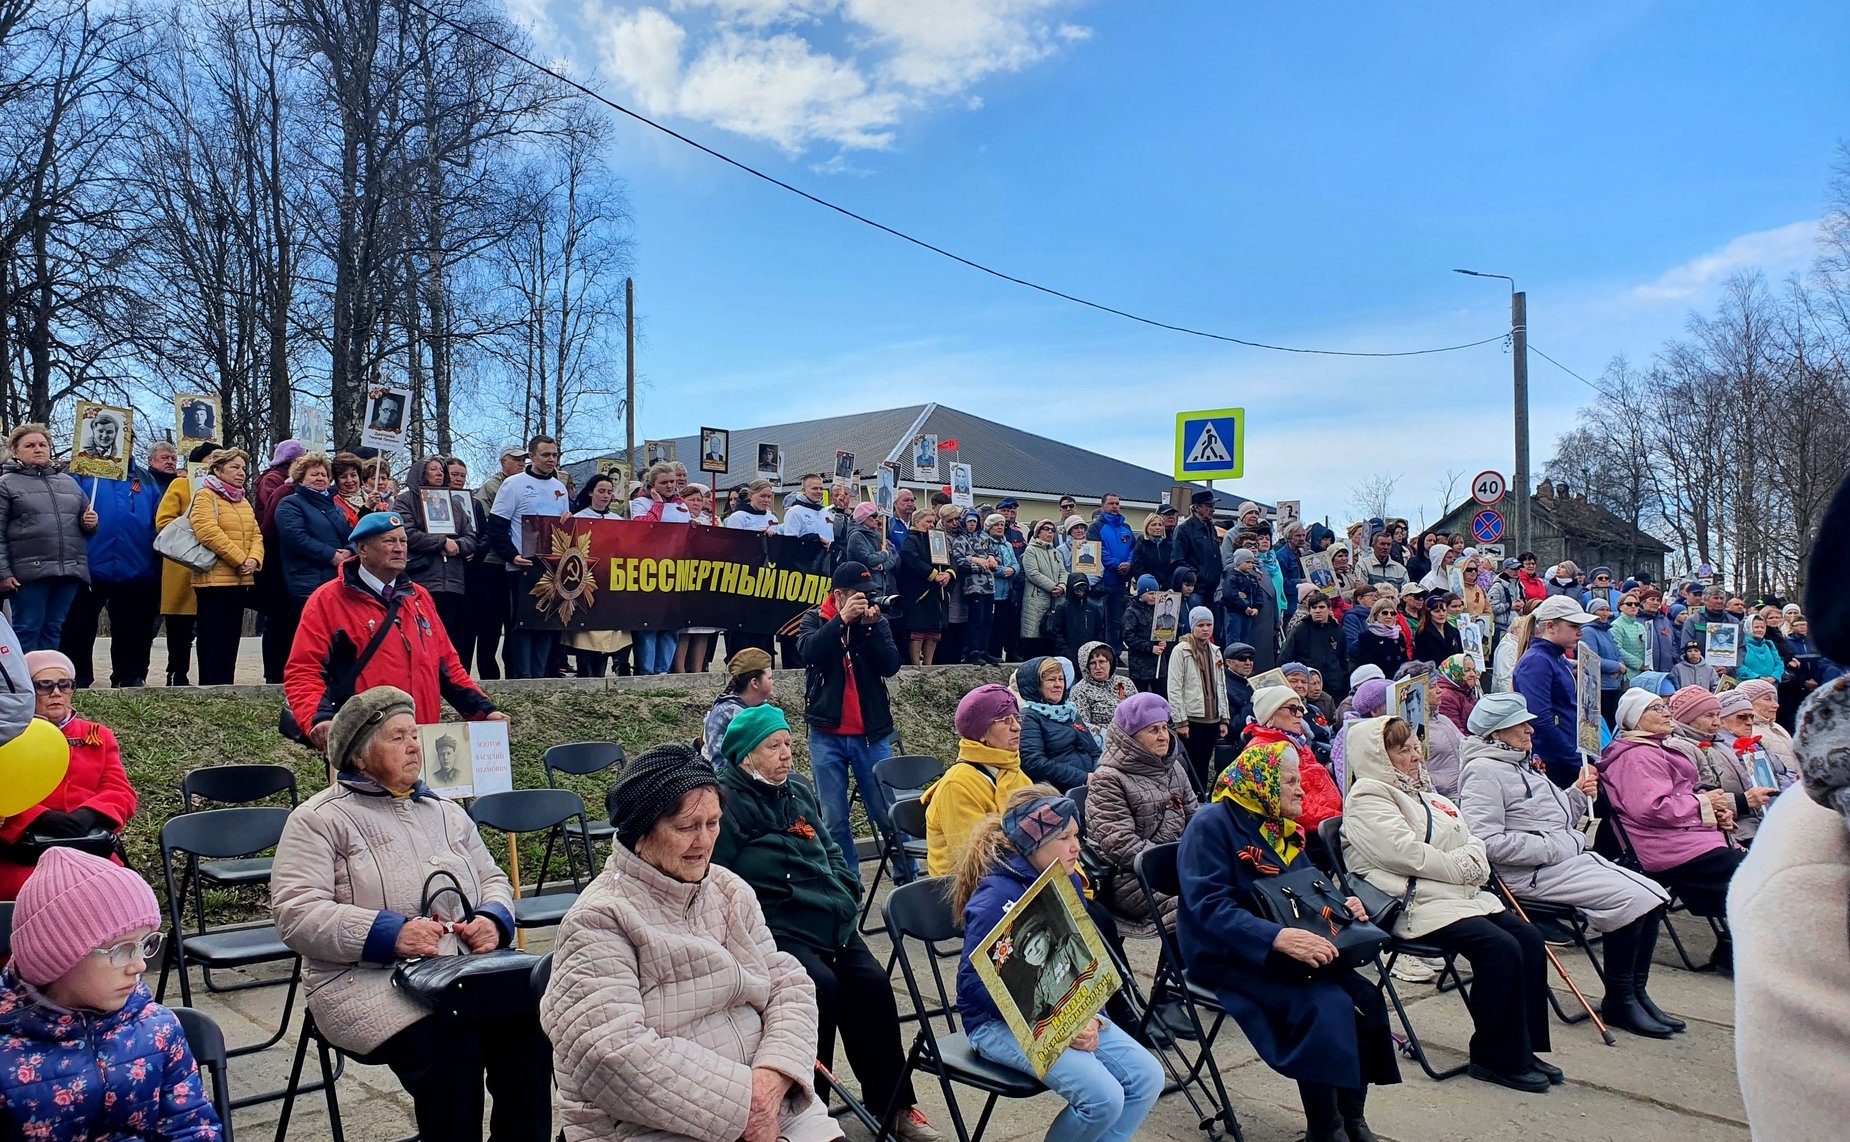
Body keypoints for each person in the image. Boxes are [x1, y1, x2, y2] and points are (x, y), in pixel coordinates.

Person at [271, 687, 549, 1142]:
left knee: (528, 1030)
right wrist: (389, 933)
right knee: (452, 1046)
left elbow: (493, 877)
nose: (414, 746)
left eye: (414, 734)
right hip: (362, 981)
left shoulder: (445, 811)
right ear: (359, 756)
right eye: (397, 737)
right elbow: (296, 913)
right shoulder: (319, 819)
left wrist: (492, 919)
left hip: (461, 971)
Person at [541, 744, 840, 1142]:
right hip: (656, 1124)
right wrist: (742, 1105)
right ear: (640, 832)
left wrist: (771, 1079)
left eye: (713, 823)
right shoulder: (600, 919)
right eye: (686, 828)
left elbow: (789, 985)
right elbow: (610, 1055)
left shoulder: (728, 890)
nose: (704, 841)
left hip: (770, 1102)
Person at [713, 707, 942, 1142]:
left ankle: (892, 1107)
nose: (786, 755)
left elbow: (832, 849)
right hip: (776, 927)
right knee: (818, 987)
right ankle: (804, 1111)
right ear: (745, 756)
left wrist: (845, 889)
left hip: (830, 918)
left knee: (873, 984)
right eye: (773, 747)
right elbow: (718, 880)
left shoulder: (797, 790)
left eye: (788, 745)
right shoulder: (727, 803)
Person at [1177, 739, 1399, 1140]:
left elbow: (1307, 889)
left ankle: (1352, 1118)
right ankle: (1324, 1128)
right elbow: (1208, 908)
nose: (1302, 789)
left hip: (1289, 944)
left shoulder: (1277, 824)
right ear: (1261, 782)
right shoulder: (1211, 824)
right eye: (1290, 781)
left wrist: (1341, 906)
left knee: (1365, 998)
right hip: (1229, 951)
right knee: (1325, 1004)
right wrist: (1276, 937)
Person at [1344, 715, 1558, 1092]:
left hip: (1453, 895)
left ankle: (1520, 1048)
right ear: (1378, 756)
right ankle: (1494, 1057)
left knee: (1528, 939)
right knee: (1500, 949)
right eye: (1402, 750)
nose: (1415, 757)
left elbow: (1470, 836)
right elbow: (1406, 855)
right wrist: (1464, 866)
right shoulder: (1368, 797)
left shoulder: (1426, 793)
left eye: (1415, 747)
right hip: (1412, 901)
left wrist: (1469, 859)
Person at [1457, 692, 1677, 1037]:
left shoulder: (1519, 762)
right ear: (1497, 733)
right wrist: (1552, 847)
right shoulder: (1484, 771)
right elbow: (1484, 841)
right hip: (1529, 875)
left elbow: (1553, 819)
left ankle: (1634, 992)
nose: (1531, 729)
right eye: (1521, 724)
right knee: (1633, 900)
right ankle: (1620, 998)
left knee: (1653, 894)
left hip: (1560, 861)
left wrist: (1575, 794)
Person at [951, 788, 1163, 1142]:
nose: (1076, 847)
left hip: (1066, 1013)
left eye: (1076, 836)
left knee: (1147, 1077)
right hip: (998, 1024)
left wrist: (1093, 1016)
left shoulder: (1063, 880)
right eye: (1064, 838)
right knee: (1103, 1098)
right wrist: (1059, 1025)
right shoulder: (995, 899)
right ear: (1033, 845)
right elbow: (974, 987)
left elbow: (1084, 961)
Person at [0, 847, 223, 1139]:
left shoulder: (158, 1029)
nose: (140, 965)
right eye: (121, 950)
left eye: (146, 944)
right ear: (56, 958)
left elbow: (192, 1127)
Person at [285, 512, 503, 748]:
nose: (399, 548)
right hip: (364, 743)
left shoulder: (419, 597)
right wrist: (319, 720)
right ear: (363, 549)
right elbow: (305, 670)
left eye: (403, 541)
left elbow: (447, 666)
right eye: (389, 541)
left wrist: (484, 711)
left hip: (419, 740)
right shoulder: (328, 600)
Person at [1598, 687, 1746, 973]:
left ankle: (1735, 948)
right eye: (1656, 709)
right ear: (1635, 718)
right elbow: (1652, 809)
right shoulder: (1637, 757)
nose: (1666, 714)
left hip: (1685, 837)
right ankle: (1739, 950)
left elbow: (1682, 794)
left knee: (1751, 873)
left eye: (1665, 708)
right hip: (1665, 846)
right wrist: (1703, 805)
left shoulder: (1654, 748)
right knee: (1750, 877)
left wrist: (1715, 811)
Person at [798, 560, 906, 881]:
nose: (867, 601)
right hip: (826, 733)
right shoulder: (814, 619)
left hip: (870, 735)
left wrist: (869, 628)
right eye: (859, 596)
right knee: (834, 818)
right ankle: (849, 884)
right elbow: (808, 652)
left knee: (886, 812)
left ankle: (906, 876)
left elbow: (890, 666)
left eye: (869, 595)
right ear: (839, 596)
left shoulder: (875, 622)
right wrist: (841, 622)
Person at [0, 650, 136, 900]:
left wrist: (90, 814)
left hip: (86, 844)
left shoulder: (97, 734)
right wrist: (41, 817)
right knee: (37, 894)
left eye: (65, 685)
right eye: (44, 685)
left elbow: (120, 791)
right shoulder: (9, 737)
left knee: (122, 891)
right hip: (27, 849)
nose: (56, 693)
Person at [1086, 693, 1198, 927]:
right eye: (1153, 730)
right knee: (1200, 905)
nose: (1163, 737)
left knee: (1233, 889)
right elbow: (1120, 844)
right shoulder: (1109, 779)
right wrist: (1177, 863)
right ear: (1131, 739)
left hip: (1179, 866)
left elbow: (1194, 819)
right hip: (1132, 877)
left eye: (1164, 728)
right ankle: (1189, 963)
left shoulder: (1174, 767)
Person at [0, 424, 97, 652]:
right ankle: (23, 685)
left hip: (67, 571)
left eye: (42, 444)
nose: (38, 449)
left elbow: (85, 525)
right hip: (28, 573)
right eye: (30, 445)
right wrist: (3, 573)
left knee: (54, 628)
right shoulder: (6, 485)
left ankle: (48, 682)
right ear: (15, 451)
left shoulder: (69, 483)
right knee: (27, 628)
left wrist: (90, 523)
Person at [924, 685, 1033, 875]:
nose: (1016, 727)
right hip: (966, 891)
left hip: (1014, 875)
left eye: (1017, 718)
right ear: (981, 733)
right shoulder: (958, 785)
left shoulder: (1013, 773)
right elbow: (977, 859)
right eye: (1005, 720)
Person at [487, 434, 570, 678]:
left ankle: (542, 676)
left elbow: (564, 528)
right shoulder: (514, 484)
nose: (551, 459)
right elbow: (496, 525)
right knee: (522, 625)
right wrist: (511, 556)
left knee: (546, 624)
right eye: (545, 455)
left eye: (554, 455)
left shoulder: (559, 487)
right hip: (522, 568)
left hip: (551, 568)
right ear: (532, 456)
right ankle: (522, 678)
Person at [183, 447, 262, 684]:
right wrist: (240, 559)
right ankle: (209, 683)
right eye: (234, 468)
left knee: (231, 635)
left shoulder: (242, 500)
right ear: (218, 470)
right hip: (212, 579)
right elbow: (207, 531)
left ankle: (226, 682)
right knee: (212, 634)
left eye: (243, 469)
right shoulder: (205, 495)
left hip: (240, 578)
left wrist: (254, 560)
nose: (241, 473)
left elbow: (256, 533)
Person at [1512, 595, 1598, 787]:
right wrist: (1576, 761)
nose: (1580, 633)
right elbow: (1540, 719)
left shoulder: (1556, 657)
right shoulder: (1537, 661)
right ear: (1550, 626)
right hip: (1554, 760)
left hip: (1568, 753)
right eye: (1574, 626)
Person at [1166, 607, 1229, 789]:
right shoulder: (1181, 651)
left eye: (1209, 625)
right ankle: (1189, 798)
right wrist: (1180, 721)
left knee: (1204, 763)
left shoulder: (1215, 651)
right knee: (1191, 764)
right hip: (1192, 718)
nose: (1205, 629)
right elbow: (1175, 687)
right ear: (1193, 626)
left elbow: (1221, 685)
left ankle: (1201, 796)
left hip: (1212, 717)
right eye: (1200, 625)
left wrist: (1224, 718)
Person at [1018, 656, 1103, 790]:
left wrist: (1099, 773)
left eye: (1061, 679)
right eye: (1051, 680)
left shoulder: (1070, 712)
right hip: (1058, 790)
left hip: (1091, 783)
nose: (1058, 685)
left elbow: (1094, 751)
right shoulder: (1029, 717)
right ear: (1036, 685)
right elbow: (1033, 762)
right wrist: (1083, 778)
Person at [897, 507, 953, 665]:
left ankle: (928, 664)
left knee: (933, 631)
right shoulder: (912, 539)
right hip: (919, 593)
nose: (931, 525)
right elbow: (911, 560)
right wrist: (934, 574)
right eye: (928, 522)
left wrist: (948, 574)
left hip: (937, 592)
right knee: (919, 631)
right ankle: (916, 664)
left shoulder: (938, 539)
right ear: (917, 522)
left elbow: (950, 558)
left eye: (933, 522)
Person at [1087, 493, 1135, 657]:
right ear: (1103, 506)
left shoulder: (1126, 528)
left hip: (1120, 582)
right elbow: (1097, 550)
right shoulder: (1096, 527)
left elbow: (1132, 549)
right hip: (1102, 582)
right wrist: (1116, 564)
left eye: (1117, 503)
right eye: (1111, 503)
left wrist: (1128, 563)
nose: (1115, 506)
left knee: (1116, 620)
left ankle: (1115, 653)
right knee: (1101, 620)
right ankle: (1100, 654)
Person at [1282, 594, 1348, 703]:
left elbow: (1344, 661)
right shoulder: (1300, 630)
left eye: (1321, 607)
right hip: (1307, 689)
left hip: (1334, 688)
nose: (1317, 611)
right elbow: (1284, 658)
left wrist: (1340, 680)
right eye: (1314, 607)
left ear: (1329, 609)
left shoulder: (1338, 632)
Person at [1021, 518, 1066, 657]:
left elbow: (1063, 572)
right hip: (1037, 598)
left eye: (1052, 530)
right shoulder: (1031, 550)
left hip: (1056, 599)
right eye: (1046, 529)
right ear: (1038, 532)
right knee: (1034, 633)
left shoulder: (1056, 552)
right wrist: (1053, 587)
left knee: (1051, 633)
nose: (1050, 533)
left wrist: (1062, 586)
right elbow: (1033, 573)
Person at [1171, 490, 1221, 611]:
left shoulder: (1211, 528)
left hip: (1213, 588)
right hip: (1196, 589)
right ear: (1197, 508)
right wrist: (1197, 575)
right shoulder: (1183, 529)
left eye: (1213, 506)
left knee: (1211, 627)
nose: (1213, 509)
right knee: (1194, 625)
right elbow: (1178, 559)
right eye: (1209, 506)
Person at [1120, 575, 1167, 694]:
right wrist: (1150, 648)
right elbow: (1129, 637)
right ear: (1142, 593)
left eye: (1156, 594)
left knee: (1161, 697)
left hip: (1158, 666)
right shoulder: (1131, 611)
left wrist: (1165, 640)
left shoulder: (1160, 609)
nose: (1154, 597)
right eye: (1151, 593)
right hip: (1140, 668)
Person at [1069, 641, 1125, 733]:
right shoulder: (1079, 690)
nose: (1097, 667)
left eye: (1102, 662)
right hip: (1102, 739)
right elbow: (1083, 726)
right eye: (1092, 663)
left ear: (1111, 663)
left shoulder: (1124, 683)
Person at [1432, 653, 1479, 731]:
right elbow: (1455, 732)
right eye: (1467, 670)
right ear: (1454, 672)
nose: (1473, 674)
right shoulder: (1446, 697)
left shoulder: (1467, 691)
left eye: (1474, 670)